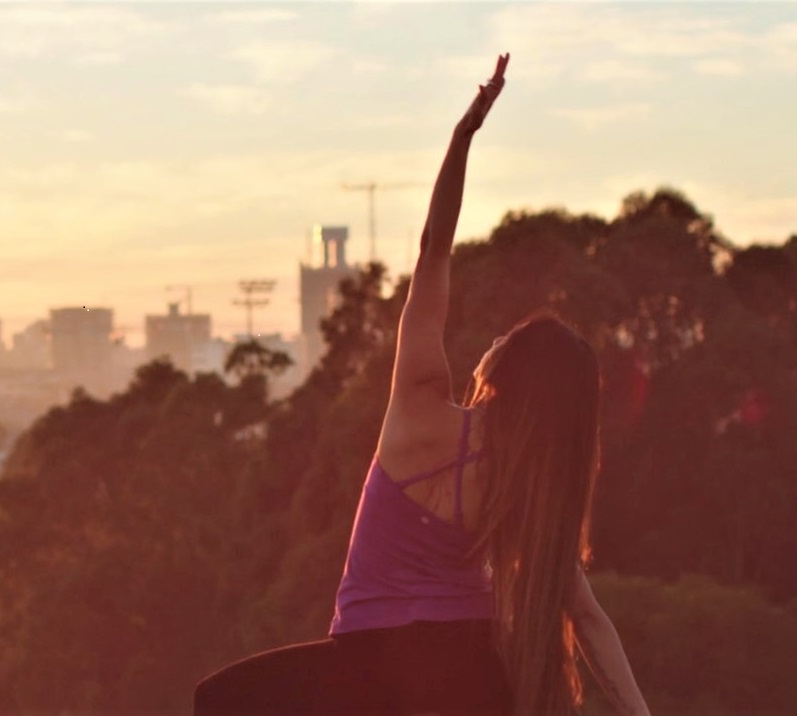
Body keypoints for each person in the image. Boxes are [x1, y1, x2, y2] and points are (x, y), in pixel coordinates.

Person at [194, 53, 651, 716]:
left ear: (506, 368)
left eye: (508, 337)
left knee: (219, 700)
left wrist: (462, 137)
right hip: (471, 675)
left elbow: (433, 251)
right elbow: (587, 619)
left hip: (364, 669)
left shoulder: (417, 402)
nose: (494, 337)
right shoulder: (522, 482)